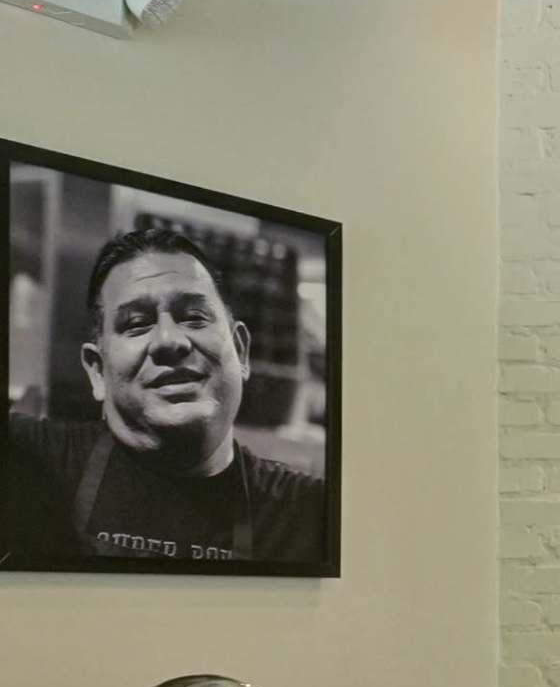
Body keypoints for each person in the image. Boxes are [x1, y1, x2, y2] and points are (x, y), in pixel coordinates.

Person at [2, 216, 325, 567]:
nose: (170, 341)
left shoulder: (309, 514)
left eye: (194, 317)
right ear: (97, 370)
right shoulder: (28, 463)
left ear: (241, 350)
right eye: (137, 324)